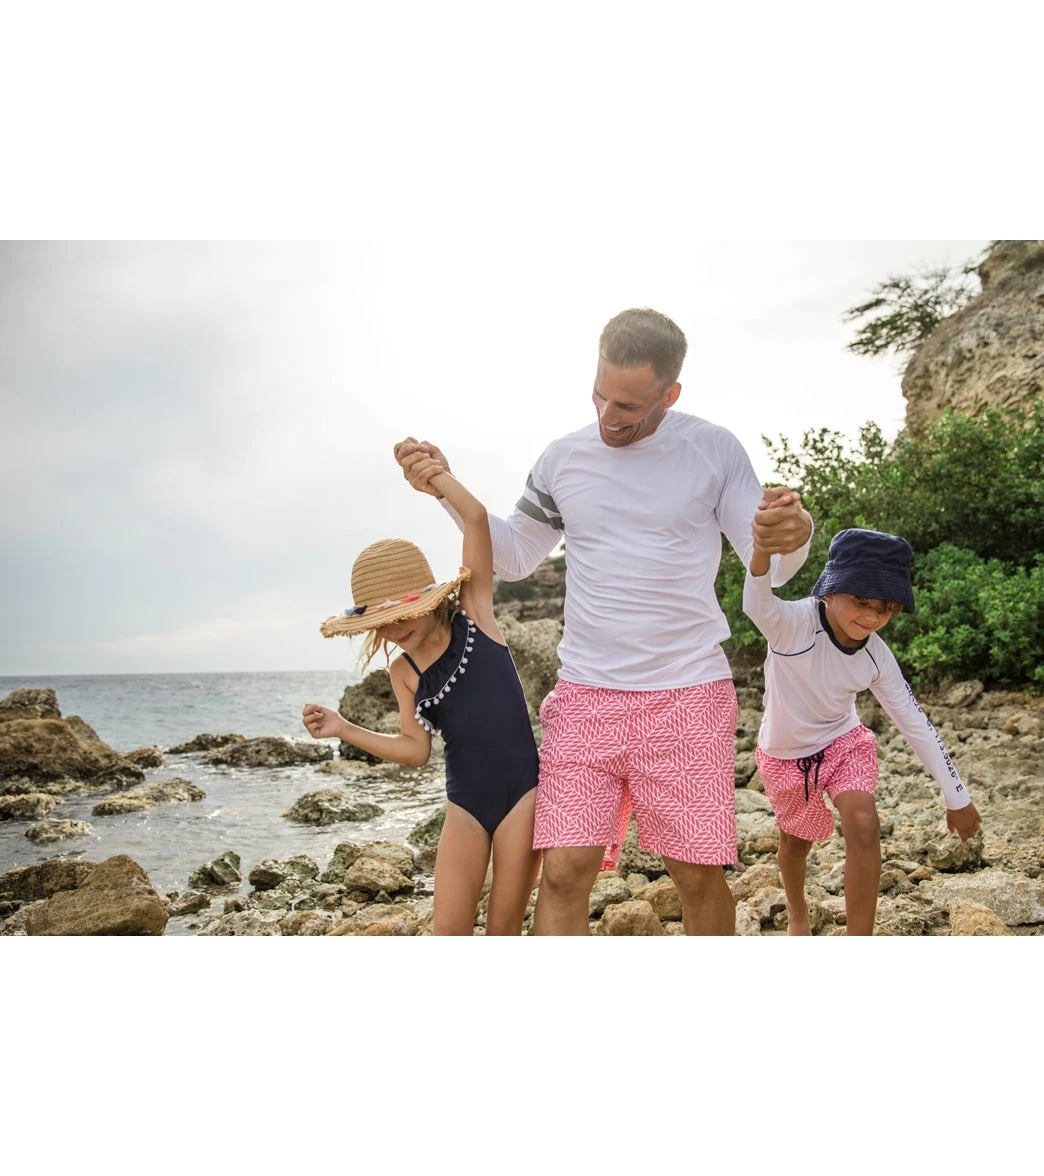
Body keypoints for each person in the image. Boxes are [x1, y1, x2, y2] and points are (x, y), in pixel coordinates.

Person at [394, 307, 813, 935]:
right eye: (599, 396)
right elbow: (515, 556)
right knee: (563, 873)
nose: (608, 416)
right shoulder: (563, 459)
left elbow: (771, 563)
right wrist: (444, 487)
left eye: (628, 406)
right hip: (585, 695)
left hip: (687, 693)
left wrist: (795, 534)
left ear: (670, 393)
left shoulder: (714, 450)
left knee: (696, 875)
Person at [302, 467, 541, 936]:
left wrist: (435, 477)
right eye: (383, 622)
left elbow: (475, 518)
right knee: (447, 933)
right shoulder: (403, 672)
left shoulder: (476, 614)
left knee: (504, 930)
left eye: (404, 613)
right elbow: (415, 750)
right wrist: (343, 728)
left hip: (523, 797)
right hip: (464, 806)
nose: (396, 629)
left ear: (428, 601)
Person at [743, 526, 982, 935]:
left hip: (844, 743)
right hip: (785, 755)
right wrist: (763, 550)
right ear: (830, 591)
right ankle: (798, 913)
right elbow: (756, 601)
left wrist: (956, 795)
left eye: (885, 608)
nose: (871, 617)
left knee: (864, 823)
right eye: (861, 602)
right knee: (796, 844)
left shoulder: (876, 655)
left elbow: (913, 720)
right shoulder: (791, 624)